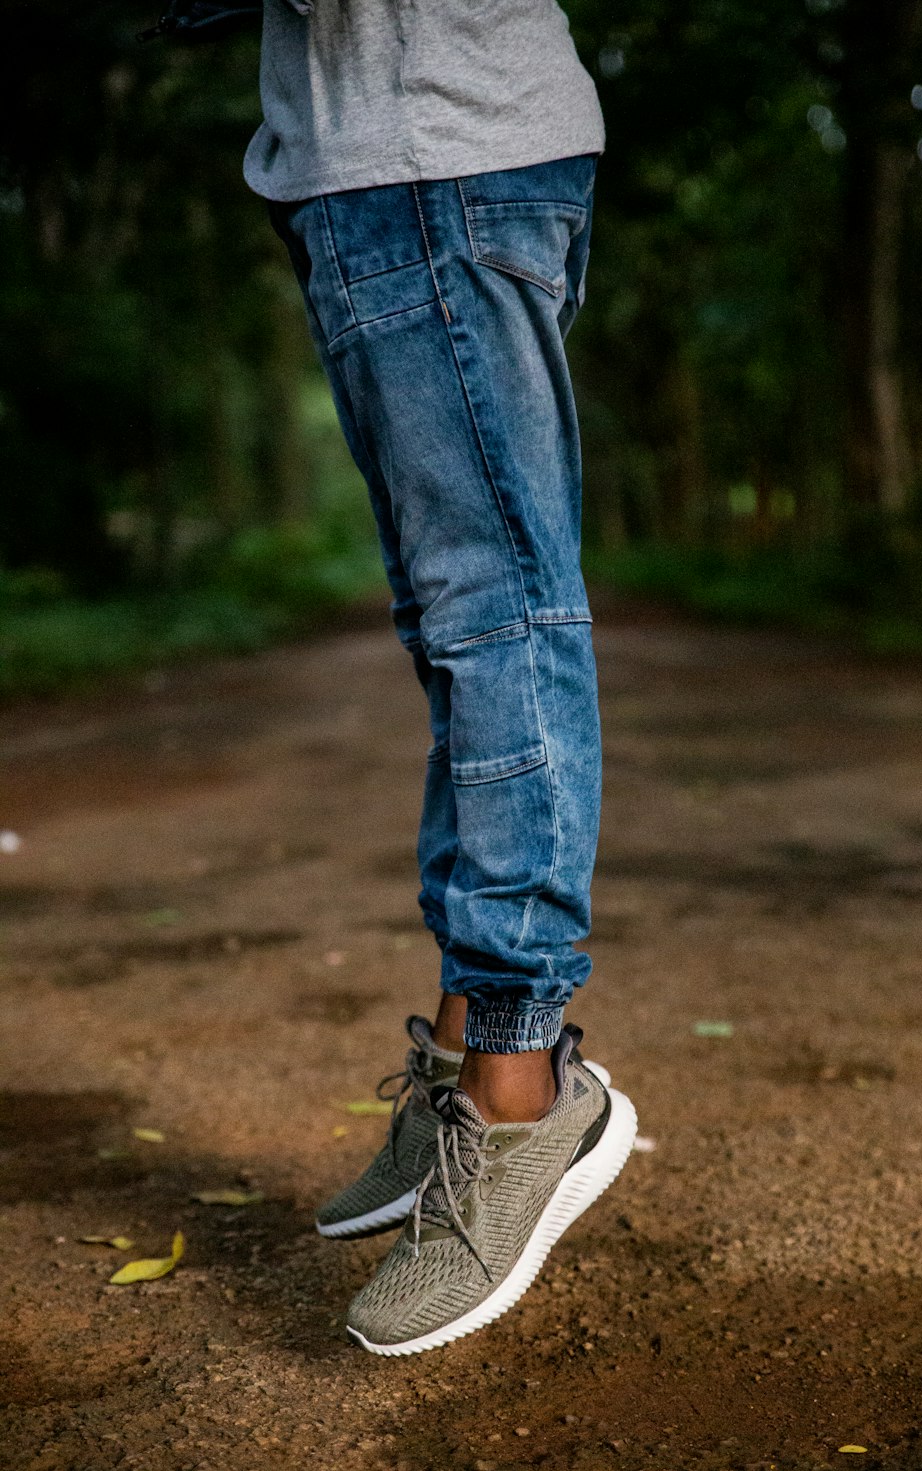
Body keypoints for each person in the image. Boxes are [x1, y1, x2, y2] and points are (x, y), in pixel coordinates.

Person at [244, 0, 637, 1356]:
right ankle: (475, 1035)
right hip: (385, 157)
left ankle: (523, 1096)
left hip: (433, 154)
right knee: (455, 623)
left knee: (496, 618)